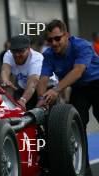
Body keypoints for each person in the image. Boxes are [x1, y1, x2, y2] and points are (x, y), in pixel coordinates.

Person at [36, 19, 99, 176]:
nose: (54, 43)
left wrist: (56, 90)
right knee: (76, 126)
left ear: (67, 36)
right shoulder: (49, 54)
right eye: (50, 40)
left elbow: (78, 71)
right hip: (78, 89)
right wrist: (41, 100)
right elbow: (43, 79)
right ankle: (84, 170)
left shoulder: (82, 46)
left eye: (58, 38)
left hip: (97, 83)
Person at [1, 35, 57, 110]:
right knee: (18, 112)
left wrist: (23, 100)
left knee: (46, 116)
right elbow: (5, 70)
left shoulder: (36, 58)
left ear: (28, 49)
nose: (17, 55)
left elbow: (33, 82)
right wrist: (5, 80)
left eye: (21, 51)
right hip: (25, 87)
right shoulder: (9, 54)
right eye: (14, 51)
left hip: (46, 88)